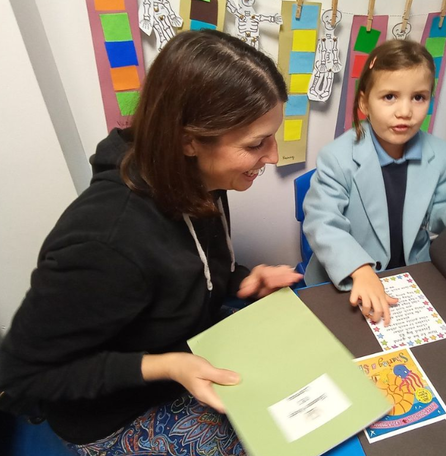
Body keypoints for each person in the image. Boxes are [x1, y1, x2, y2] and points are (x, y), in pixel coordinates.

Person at [0, 29, 302, 456]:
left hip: (187, 353)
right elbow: (22, 375)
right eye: (256, 144)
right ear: (189, 140)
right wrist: (164, 365)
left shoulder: (201, 180)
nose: (273, 156)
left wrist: (243, 279)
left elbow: (183, 267)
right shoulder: (105, 242)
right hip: (115, 415)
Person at [302, 39, 446, 327]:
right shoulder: (337, 157)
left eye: (418, 97)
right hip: (347, 280)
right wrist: (359, 268)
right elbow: (322, 222)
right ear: (364, 103)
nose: (405, 111)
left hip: (411, 275)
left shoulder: (442, 154)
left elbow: (439, 209)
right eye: (390, 97)